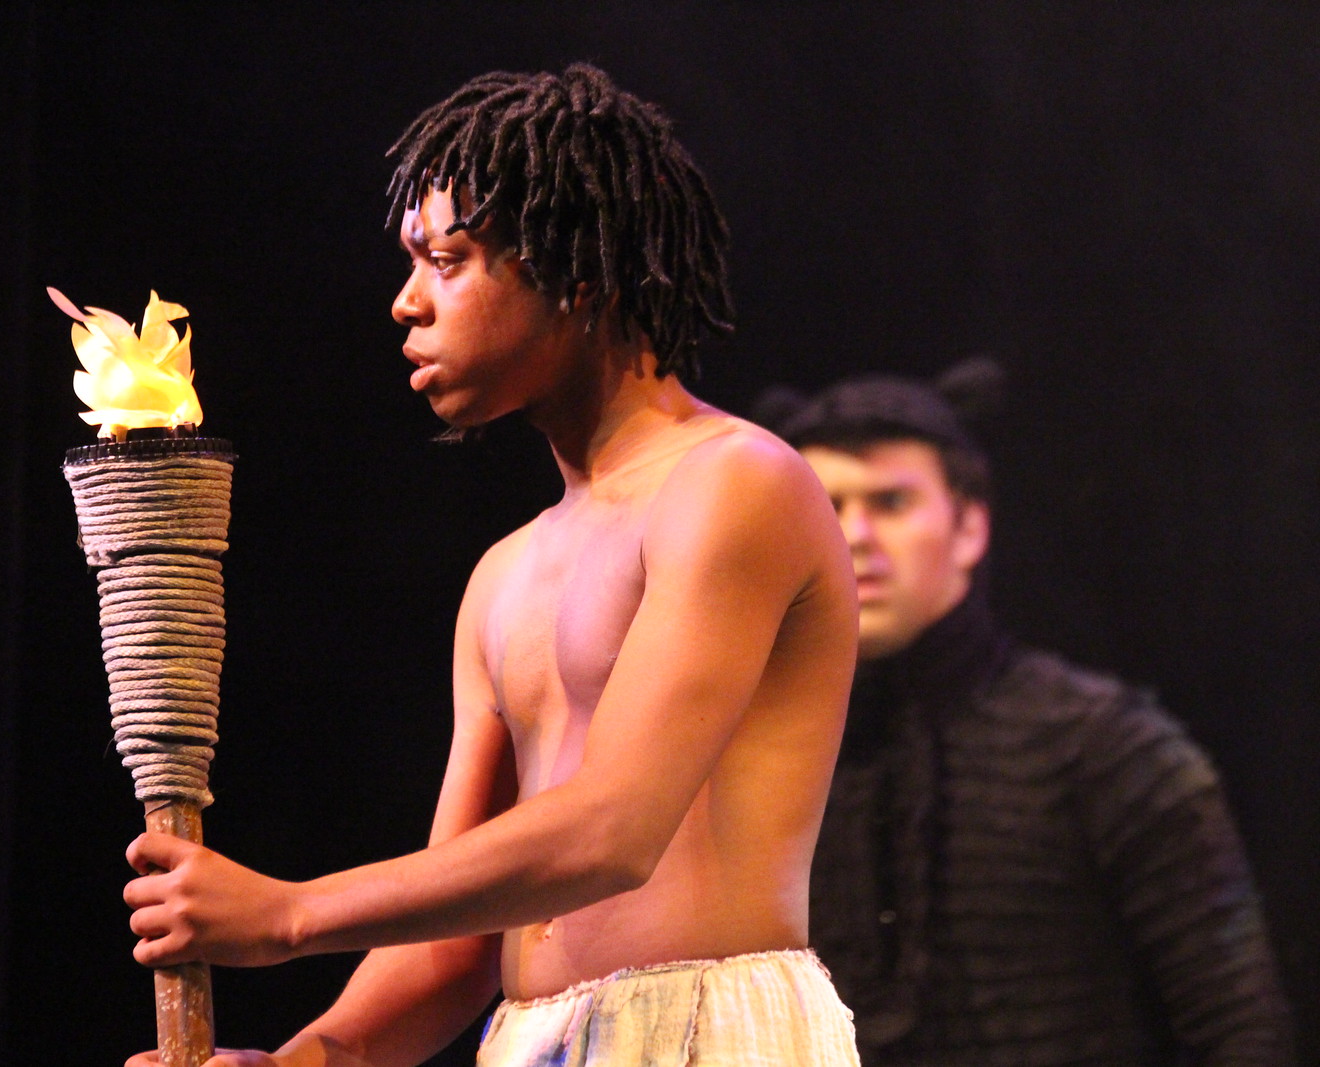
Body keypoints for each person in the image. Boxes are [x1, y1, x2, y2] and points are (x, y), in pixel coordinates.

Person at [123, 65, 863, 1066]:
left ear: (578, 273)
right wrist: (297, 1062)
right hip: (526, 1039)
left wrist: (291, 913)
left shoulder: (734, 484)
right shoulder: (503, 575)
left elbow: (612, 831)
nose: (406, 303)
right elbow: (456, 947)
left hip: (709, 1030)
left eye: (447, 260)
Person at [757, 360, 1294, 1065]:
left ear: (970, 527)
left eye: (890, 502)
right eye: (827, 507)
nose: (854, 535)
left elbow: (1241, 1029)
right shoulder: (766, 761)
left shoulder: (1103, 747)